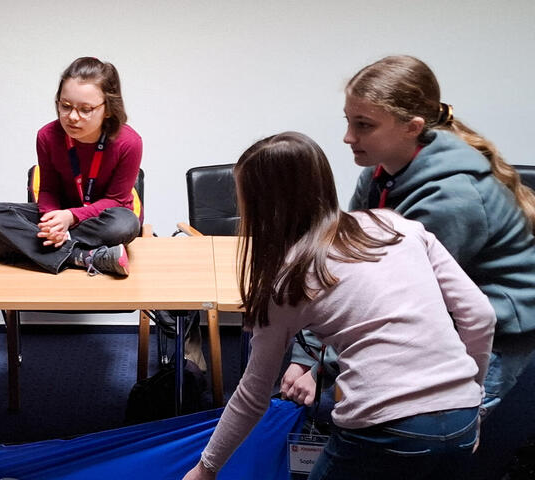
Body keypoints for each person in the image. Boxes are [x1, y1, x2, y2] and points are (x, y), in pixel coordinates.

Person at [182, 132, 495, 480]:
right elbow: (480, 316)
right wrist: (474, 399)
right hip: (462, 414)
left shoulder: (290, 279)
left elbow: (253, 395)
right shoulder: (395, 225)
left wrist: (206, 468)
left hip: (384, 425)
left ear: (260, 205)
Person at [282, 55, 535, 416]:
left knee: (441, 433)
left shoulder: (450, 199)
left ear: (412, 127)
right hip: (437, 315)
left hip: (493, 336)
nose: (348, 137)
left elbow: (391, 301)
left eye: (364, 125)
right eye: (348, 121)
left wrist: (321, 365)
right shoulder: (379, 173)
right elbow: (346, 261)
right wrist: (307, 355)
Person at [0, 57, 142, 276]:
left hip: (101, 219)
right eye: (65, 106)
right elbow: (49, 190)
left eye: (86, 109)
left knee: (125, 225)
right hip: (60, 215)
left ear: (108, 109)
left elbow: (117, 200)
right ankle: (82, 256)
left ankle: (15, 248)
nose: (72, 117)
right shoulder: (47, 136)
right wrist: (52, 222)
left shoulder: (129, 142)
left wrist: (71, 217)